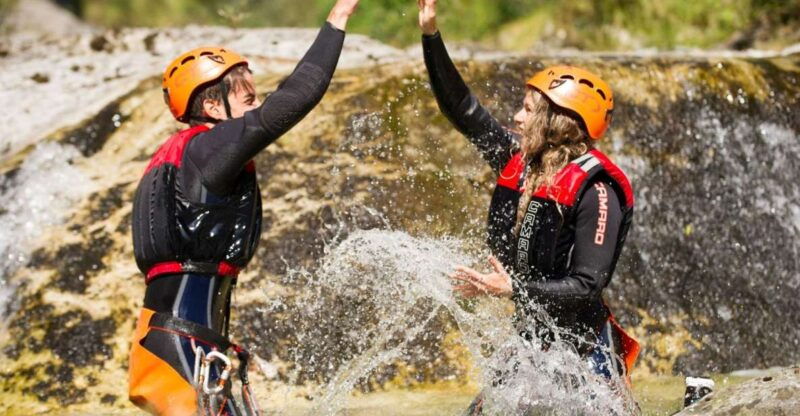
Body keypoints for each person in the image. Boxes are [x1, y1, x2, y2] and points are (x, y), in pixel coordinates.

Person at [128, 1, 361, 414]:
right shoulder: (207, 149)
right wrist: (338, 17)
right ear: (214, 108)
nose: (257, 106)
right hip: (180, 344)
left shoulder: (191, 157)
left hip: (181, 340)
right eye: (249, 97)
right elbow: (296, 97)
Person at [416, 0, 640, 408]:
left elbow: (588, 284)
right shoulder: (518, 162)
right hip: (532, 341)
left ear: (557, 122)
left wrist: (511, 287)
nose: (517, 119)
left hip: (583, 352)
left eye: (528, 111)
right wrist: (431, 34)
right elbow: (461, 108)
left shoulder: (597, 190)